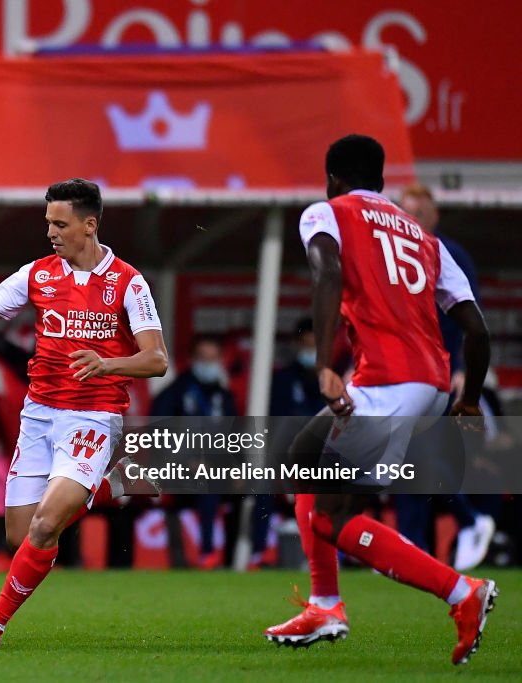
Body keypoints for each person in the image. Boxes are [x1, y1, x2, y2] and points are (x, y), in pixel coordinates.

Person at [0, 178, 169, 647]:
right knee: (20, 537)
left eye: (60, 223)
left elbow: (157, 359)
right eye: (47, 222)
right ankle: (115, 484)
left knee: (46, 526)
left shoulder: (128, 282)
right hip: (39, 415)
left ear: (90, 225)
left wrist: (108, 363)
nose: (51, 232)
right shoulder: (38, 274)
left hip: (93, 417)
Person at [262, 135, 496, 666]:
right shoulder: (426, 238)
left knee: (331, 514)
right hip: (431, 384)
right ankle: (325, 604)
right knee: (310, 470)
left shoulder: (327, 212)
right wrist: (468, 402)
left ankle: (460, 592)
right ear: (383, 182)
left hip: (388, 382)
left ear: (332, 179)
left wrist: (324, 363)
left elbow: (326, 274)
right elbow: (476, 329)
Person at [398, 184, 496, 571]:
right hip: (402, 368)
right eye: (407, 213)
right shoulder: (395, 251)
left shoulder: (447, 253)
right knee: (407, 461)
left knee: (420, 456)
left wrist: (461, 368)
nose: (413, 220)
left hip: (436, 369)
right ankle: (411, 549)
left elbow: (470, 316)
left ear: (435, 216)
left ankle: (470, 519)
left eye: (420, 213)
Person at [151, 335, 236, 569]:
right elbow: (157, 434)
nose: (208, 364)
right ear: (192, 359)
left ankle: (250, 557)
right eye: (203, 358)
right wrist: (185, 459)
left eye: (213, 358)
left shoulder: (223, 395)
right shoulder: (174, 393)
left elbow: (236, 435)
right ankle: (207, 553)